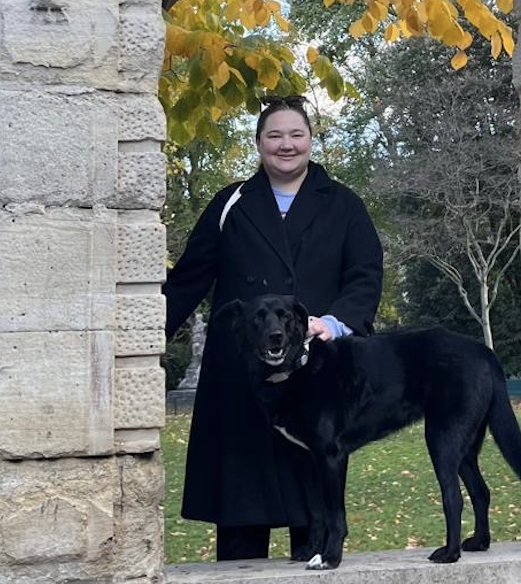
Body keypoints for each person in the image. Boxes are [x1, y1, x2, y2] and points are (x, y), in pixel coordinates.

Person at [162, 95, 384, 561]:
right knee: (242, 512)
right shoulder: (230, 203)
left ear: (311, 140)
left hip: (313, 374)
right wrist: (138, 339)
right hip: (239, 377)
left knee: (313, 509)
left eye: (296, 134)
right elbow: (188, 278)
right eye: (274, 135)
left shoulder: (344, 204)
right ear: (259, 143)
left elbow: (364, 275)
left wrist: (335, 323)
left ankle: (317, 554)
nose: (286, 145)